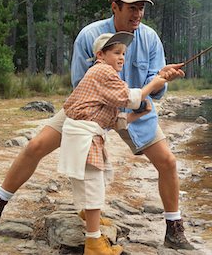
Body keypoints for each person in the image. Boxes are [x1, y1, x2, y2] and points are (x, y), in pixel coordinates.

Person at [0, 0, 194, 250]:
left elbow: (154, 88)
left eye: (141, 7)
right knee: (35, 146)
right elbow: (80, 85)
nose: (137, 14)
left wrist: (163, 78)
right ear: (114, 7)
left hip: (133, 110)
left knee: (168, 162)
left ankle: (173, 229)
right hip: (89, 110)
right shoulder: (89, 36)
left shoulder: (150, 38)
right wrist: (119, 106)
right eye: (131, 8)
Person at [59, 31, 166, 254]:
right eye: (116, 52)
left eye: (124, 54)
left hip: (81, 133)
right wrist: (153, 84)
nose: (121, 58)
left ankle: (89, 218)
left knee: (84, 182)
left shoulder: (103, 79)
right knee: (93, 184)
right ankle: (93, 243)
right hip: (84, 135)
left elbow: (116, 120)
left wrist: (137, 114)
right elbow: (128, 98)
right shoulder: (102, 71)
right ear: (100, 55)